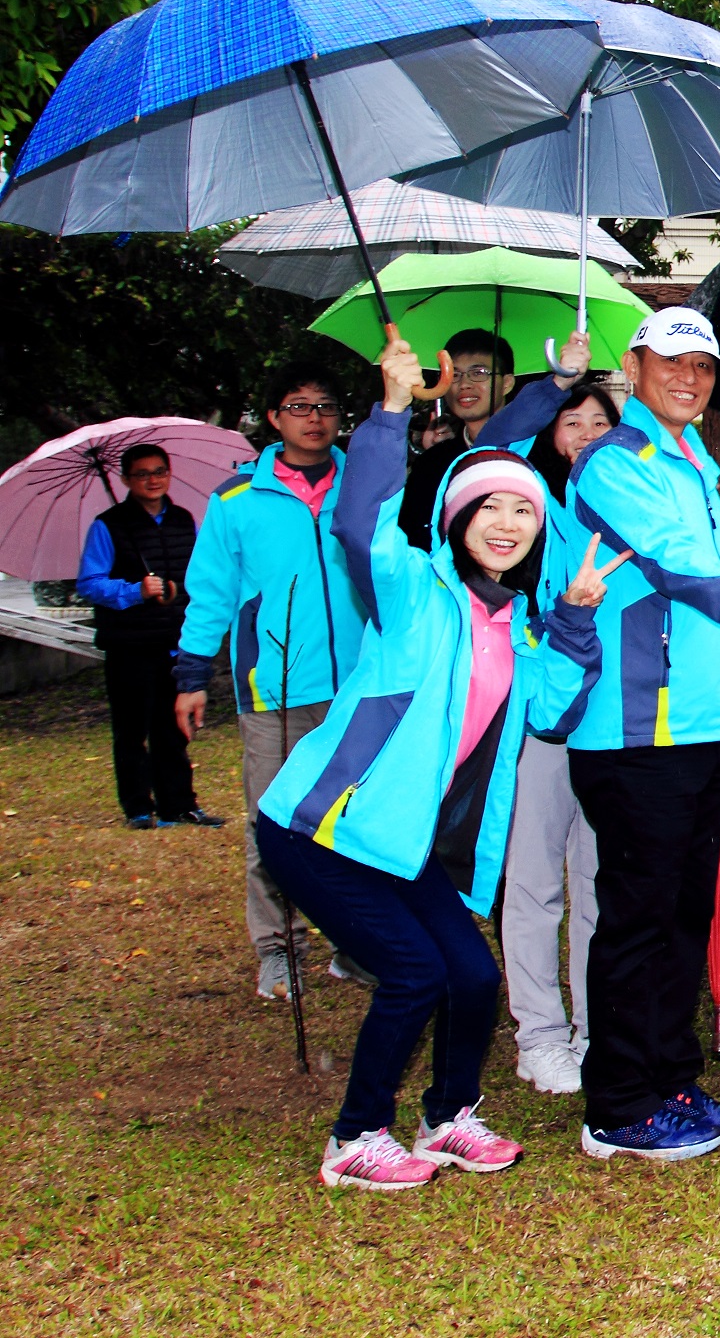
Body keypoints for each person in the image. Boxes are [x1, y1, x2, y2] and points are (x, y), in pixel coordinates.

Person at [255, 330, 610, 1188]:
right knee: (414, 975)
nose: (508, 523)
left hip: (404, 841)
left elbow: (557, 713)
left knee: (472, 978)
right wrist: (387, 410)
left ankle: (448, 1117)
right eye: (490, 507)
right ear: (457, 517)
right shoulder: (415, 590)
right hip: (322, 828)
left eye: (524, 511)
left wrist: (574, 614)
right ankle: (355, 1138)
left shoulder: (518, 629)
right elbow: (357, 518)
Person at [562, 307, 720, 1162]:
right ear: (633, 367)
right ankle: (618, 1105)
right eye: (672, 361)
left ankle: (670, 1078)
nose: (689, 378)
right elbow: (681, 565)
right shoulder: (614, 463)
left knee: (683, 913)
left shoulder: (688, 463)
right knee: (637, 918)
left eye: (704, 367)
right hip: (638, 730)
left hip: (704, 725)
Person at [175, 361, 368, 1002]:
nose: (314, 418)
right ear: (273, 417)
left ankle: (355, 943)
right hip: (276, 690)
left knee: (354, 822)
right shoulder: (235, 500)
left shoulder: (365, 486)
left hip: (361, 686)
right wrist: (191, 672)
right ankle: (278, 949)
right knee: (275, 826)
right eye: (298, 406)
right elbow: (210, 594)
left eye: (325, 405)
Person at [469, 338, 619, 1096]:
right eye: (573, 422)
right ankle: (539, 1034)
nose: (587, 435)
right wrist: (555, 381)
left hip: (610, 722)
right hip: (535, 722)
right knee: (532, 883)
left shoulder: (626, 511)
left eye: (601, 423)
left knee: (598, 882)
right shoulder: (523, 502)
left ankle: (596, 1028)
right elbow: (487, 448)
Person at [78, 442, 212, 828]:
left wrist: (175, 592)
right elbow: (90, 582)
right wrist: (134, 591)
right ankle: (139, 808)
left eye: (159, 472)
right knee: (133, 729)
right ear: (125, 480)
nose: (152, 480)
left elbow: (200, 574)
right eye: (142, 474)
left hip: (173, 640)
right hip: (129, 644)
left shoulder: (185, 520)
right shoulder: (108, 525)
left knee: (173, 728)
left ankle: (180, 804)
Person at [397, 328, 518, 548]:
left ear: (507, 383)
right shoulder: (432, 462)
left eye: (479, 372)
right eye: (454, 375)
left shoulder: (535, 452)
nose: (464, 384)